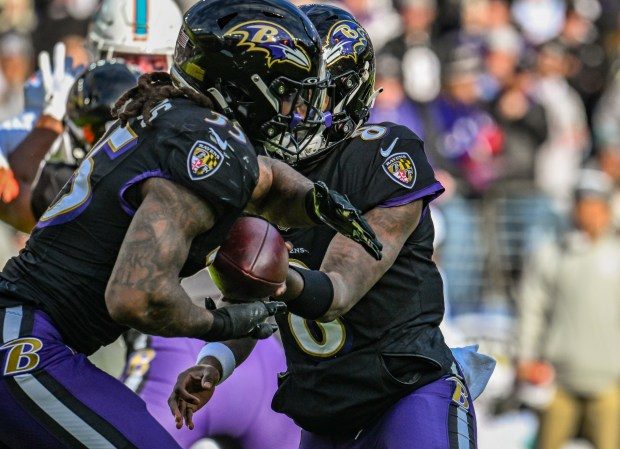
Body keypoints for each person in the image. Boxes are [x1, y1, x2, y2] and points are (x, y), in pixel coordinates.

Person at [0, 1, 381, 447]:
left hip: (39, 340)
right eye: (286, 92)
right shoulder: (206, 143)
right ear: (245, 84)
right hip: (28, 345)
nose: (294, 110)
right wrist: (223, 325)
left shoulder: (184, 121)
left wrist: (319, 203)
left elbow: (267, 181)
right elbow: (134, 297)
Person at [170, 5, 487, 449]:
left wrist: (279, 282)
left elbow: (339, 287)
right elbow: (249, 297)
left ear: (348, 90)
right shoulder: (262, 175)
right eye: (291, 93)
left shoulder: (384, 153)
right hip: (325, 417)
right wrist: (214, 362)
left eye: (317, 94)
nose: (300, 110)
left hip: (406, 393)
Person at [0, 0, 184, 233]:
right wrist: (51, 118)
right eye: (126, 59)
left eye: (154, 61)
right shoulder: (69, 94)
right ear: (98, 54)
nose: (139, 73)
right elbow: (11, 188)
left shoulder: (188, 107)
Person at [517, 169, 620, 449]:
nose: (590, 212)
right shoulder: (551, 255)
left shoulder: (616, 255)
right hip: (558, 381)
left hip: (609, 384)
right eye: (583, 204)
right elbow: (532, 309)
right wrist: (526, 357)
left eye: (596, 204)